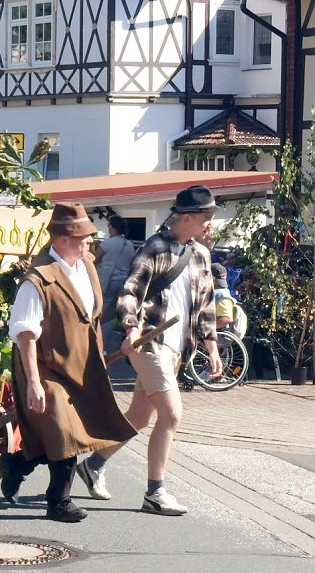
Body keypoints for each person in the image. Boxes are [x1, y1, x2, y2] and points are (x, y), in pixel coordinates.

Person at [77, 185, 222, 516]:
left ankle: (94, 464)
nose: (210, 223)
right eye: (206, 217)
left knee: (141, 416)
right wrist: (130, 328)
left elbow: (206, 304)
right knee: (172, 414)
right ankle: (155, 492)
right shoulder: (154, 248)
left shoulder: (201, 253)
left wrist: (212, 346)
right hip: (149, 343)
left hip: (175, 349)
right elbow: (130, 292)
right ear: (185, 218)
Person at [2, 202, 136, 522]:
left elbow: (89, 319)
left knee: (73, 430)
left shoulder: (87, 266)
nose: (91, 241)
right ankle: (58, 501)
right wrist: (33, 382)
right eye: (84, 236)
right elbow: (25, 334)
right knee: (65, 430)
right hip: (46, 367)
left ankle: (17, 464)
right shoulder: (38, 279)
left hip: (81, 365)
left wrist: (108, 350)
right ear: (63, 239)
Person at [96, 215, 135, 351]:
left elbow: (95, 259)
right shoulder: (129, 245)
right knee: (113, 315)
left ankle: (101, 346)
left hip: (106, 282)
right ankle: (109, 344)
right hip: (122, 283)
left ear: (113, 227)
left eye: (109, 226)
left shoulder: (108, 243)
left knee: (102, 315)